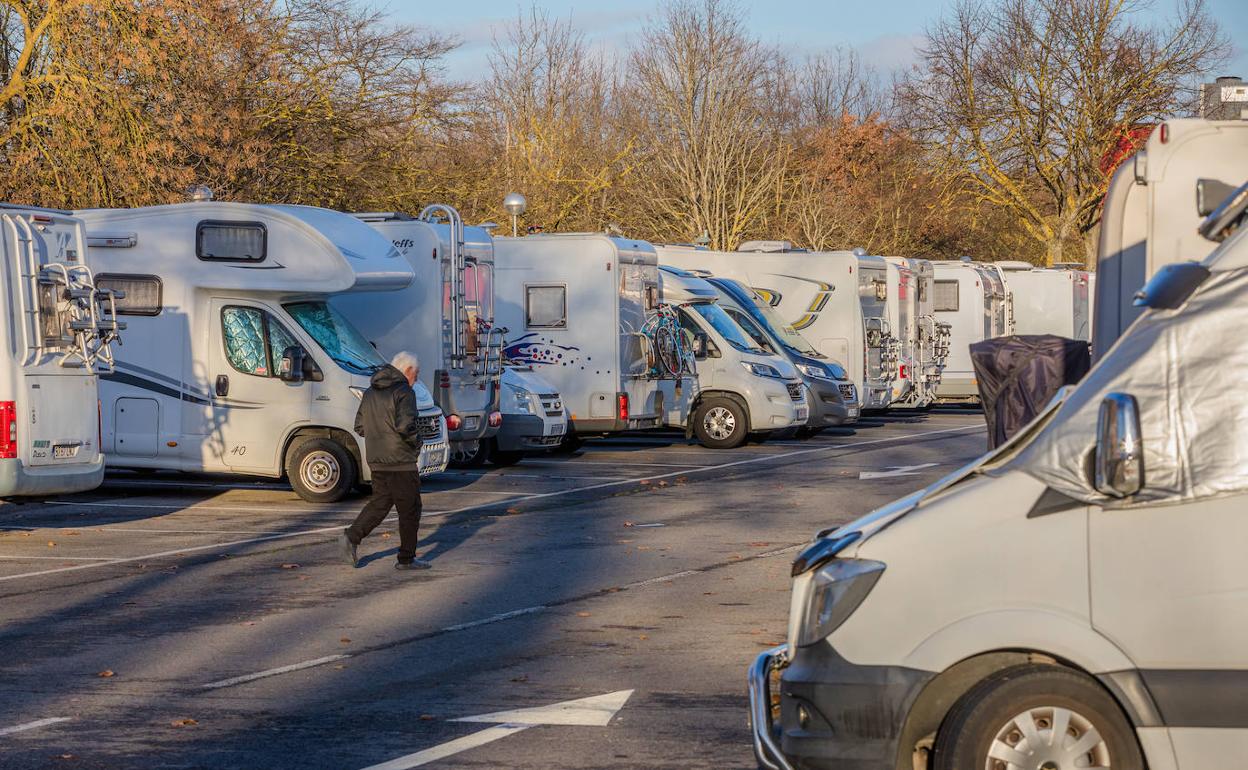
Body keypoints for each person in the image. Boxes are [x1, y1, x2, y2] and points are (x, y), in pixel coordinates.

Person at [339, 351, 429, 570]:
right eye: (416, 374)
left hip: (377, 459)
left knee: (381, 503)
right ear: (407, 371)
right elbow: (405, 426)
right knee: (410, 509)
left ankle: (352, 536)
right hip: (401, 461)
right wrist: (417, 443)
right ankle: (406, 559)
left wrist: (378, 437)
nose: (415, 379)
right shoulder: (404, 391)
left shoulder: (370, 392)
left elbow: (359, 426)